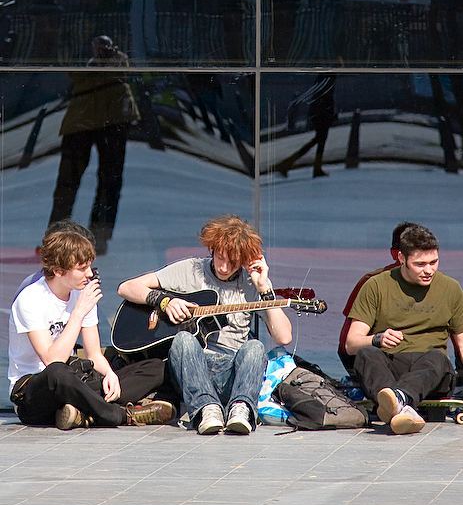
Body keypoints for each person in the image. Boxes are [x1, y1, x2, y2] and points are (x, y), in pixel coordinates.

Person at [117, 215, 292, 435]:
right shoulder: (191, 270)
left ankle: (241, 409)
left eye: (233, 262)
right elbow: (126, 288)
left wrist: (264, 288)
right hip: (194, 368)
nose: (225, 267)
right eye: (220, 258)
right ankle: (206, 410)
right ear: (212, 249)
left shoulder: (252, 284)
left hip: (233, 371)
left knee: (255, 347)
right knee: (183, 340)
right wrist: (164, 301)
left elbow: (284, 337)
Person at [8, 230, 173, 429]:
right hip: (34, 391)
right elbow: (52, 360)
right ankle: (119, 415)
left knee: (156, 367)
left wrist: (110, 374)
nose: (89, 274)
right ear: (59, 271)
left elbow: (94, 353)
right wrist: (77, 313)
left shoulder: (81, 293)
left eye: (90, 266)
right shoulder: (31, 299)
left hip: (74, 381)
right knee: (57, 373)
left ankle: (80, 412)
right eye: (82, 268)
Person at [344, 224, 463, 434]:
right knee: (366, 354)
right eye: (420, 264)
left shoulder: (451, 288)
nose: (428, 270)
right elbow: (351, 344)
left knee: (438, 359)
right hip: (391, 364)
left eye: (434, 262)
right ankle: (402, 408)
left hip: (430, 369)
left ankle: (397, 400)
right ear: (401, 258)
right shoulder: (375, 285)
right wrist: (377, 339)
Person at [47, 36, 140, 254]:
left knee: (109, 179)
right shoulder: (80, 55)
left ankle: (100, 235)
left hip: (110, 116)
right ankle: (56, 237)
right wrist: (95, 62)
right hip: (85, 116)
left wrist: (110, 59)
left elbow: (124, 72)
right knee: (68, 180)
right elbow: (72, 74)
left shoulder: (118, 59)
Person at [337, 221, 419, 377]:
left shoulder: (440, 286)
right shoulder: (371, 282)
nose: (425, 268)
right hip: (375, 359)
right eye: (415, 256)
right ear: (396, 254)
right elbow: (345, 344)